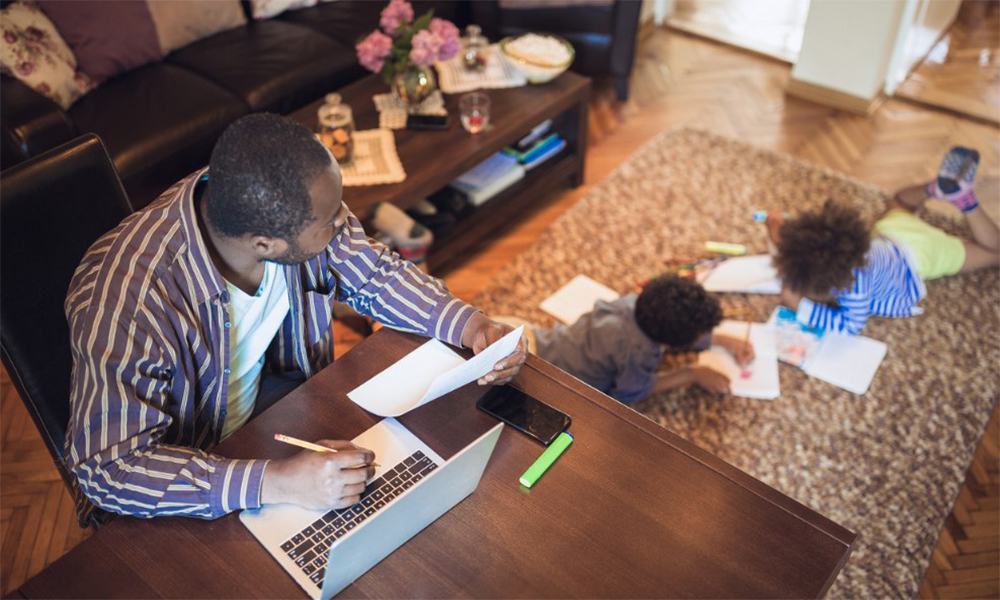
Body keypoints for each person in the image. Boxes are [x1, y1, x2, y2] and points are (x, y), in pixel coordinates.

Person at [65, 113, 526, 525]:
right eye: (328, 221)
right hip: (193, 475)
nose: (343, 222)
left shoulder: (265, 202)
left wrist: (471, 326)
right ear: (264, 244)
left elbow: (376, 276)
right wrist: (280, 482)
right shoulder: (128, 298)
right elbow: (109, 469)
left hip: (281, 413)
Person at [768, 147, 999, 335]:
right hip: (893, 231)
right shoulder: (839, 247)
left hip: (923, 254)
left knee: (992, 251)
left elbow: (850, 325)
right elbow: (794, 247)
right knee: (900, 201)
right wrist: (774, 226)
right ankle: (935, 188)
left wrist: (801, 305)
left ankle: (965, 200)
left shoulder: (854, 290)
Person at [501, 274, 755, 404]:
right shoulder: (638, 352)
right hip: (548, 379)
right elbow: (631, 392)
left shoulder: (633, 304)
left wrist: (720, 339)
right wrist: (691, 374)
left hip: (542, 339)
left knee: (506, 327)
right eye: (699, 336)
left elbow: (674, 328)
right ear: (671, 344)